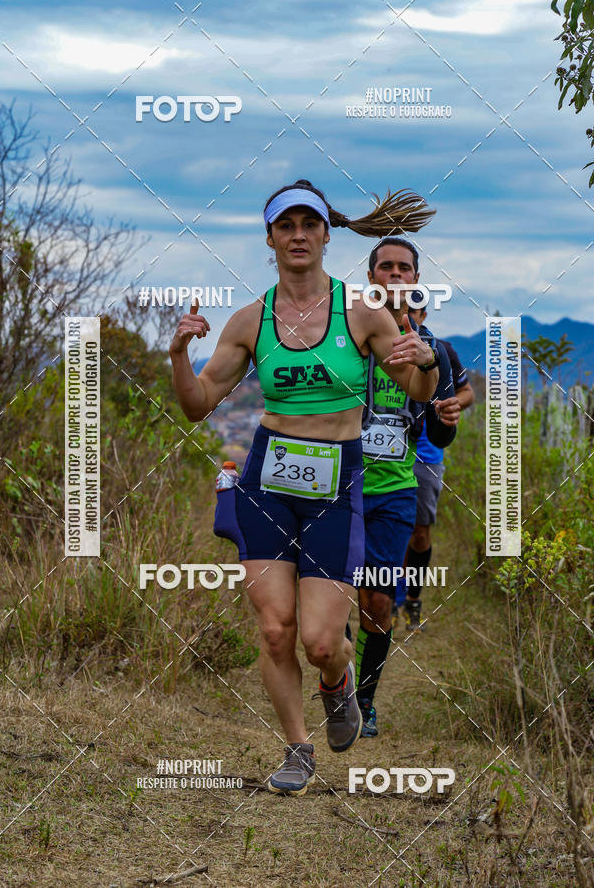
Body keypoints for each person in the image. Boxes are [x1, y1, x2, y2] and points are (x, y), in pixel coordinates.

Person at [169, 179, 438, 795]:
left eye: (308, 225)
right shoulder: (250, 320)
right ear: (269, 238)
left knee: (320, 642)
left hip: (336, 486)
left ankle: (337, 682)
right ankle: (297, 749)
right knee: (274, 629)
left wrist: (423, 361)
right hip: (267, 480)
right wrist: (179, 354)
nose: (297, 236)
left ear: (325, 234)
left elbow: (419, 392)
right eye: (285, 226)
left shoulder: (360, 313)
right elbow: (197, 404)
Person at [355, 237, 459, 737]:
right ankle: (337, 670)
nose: (395, 275)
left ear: (416, 279)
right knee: (331, 598)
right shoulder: (346, 331)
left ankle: (364, 701)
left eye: (404, 268)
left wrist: (447, 415)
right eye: (386, 267)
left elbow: (441, 434)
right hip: (337, 487)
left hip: (396, 487)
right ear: (371, 277)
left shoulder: (432, 348)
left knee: (377, 602)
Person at [405, 299, 475, 631]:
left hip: (427, 452)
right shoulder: (374, 345)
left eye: (413, 312)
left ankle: (412, 601)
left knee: (420, 532)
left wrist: (447, 407)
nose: (408, 318)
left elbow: (467, 392)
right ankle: (382, 598)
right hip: (382, 452)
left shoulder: (442, 350)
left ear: (424, 315)